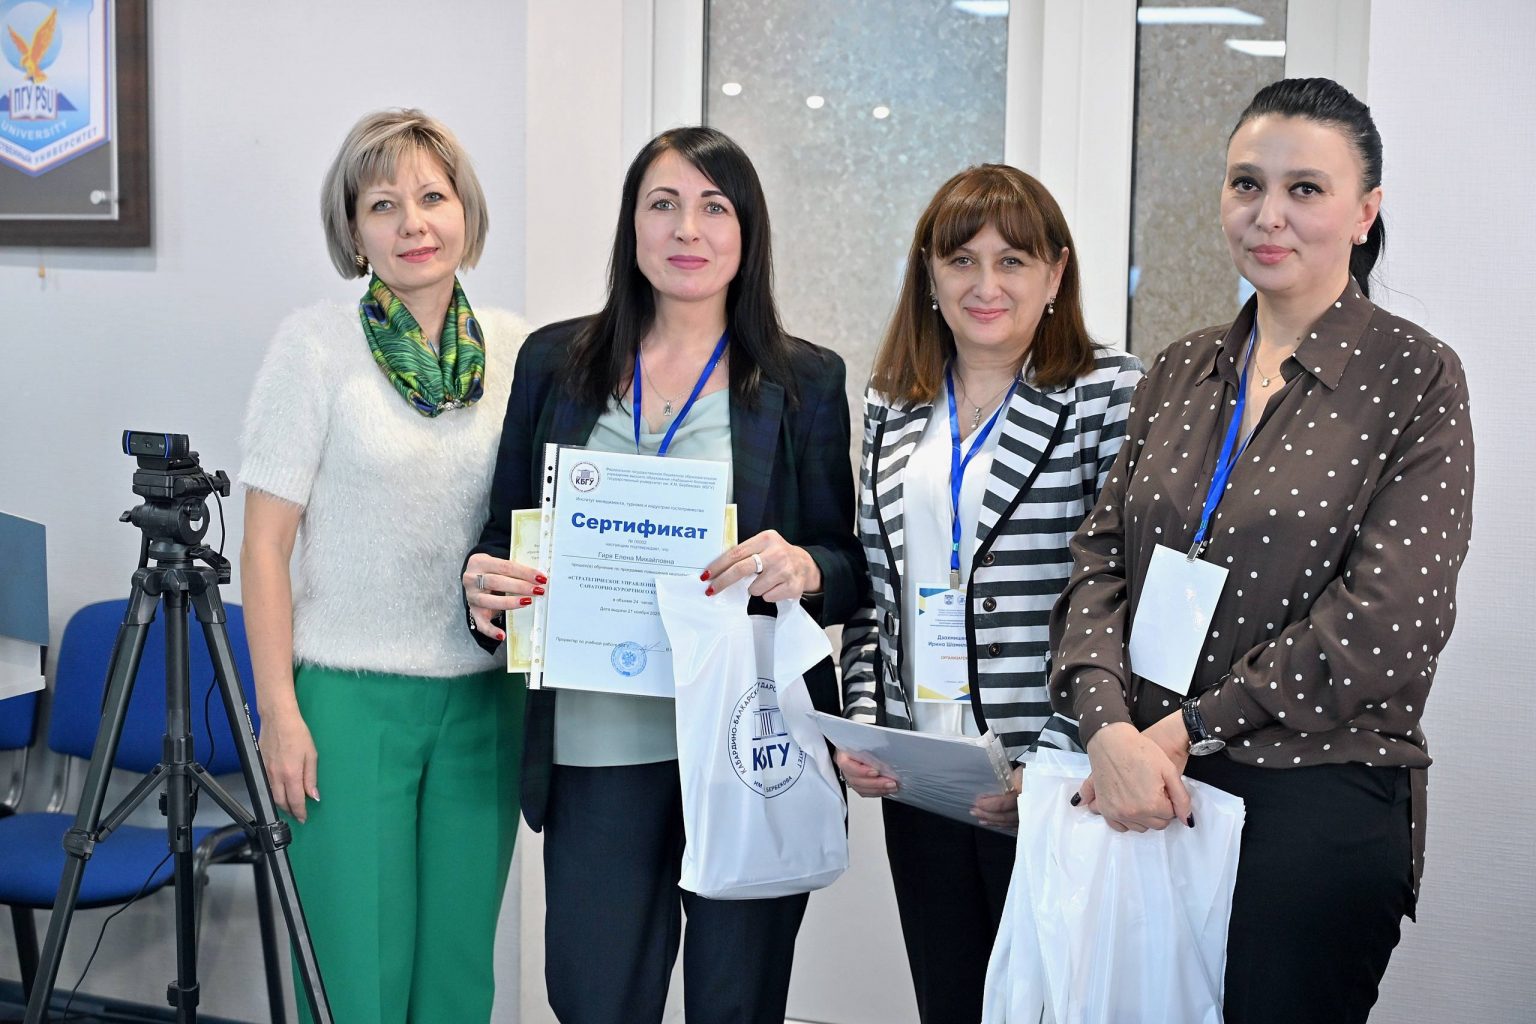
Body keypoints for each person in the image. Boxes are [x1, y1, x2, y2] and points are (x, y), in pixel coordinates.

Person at [1049, 78, 1474, 1024]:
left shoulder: (1416, 377)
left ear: (1365, 212)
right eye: (1247, 183)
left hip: (1309, 803)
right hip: (1142, 792)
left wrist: (1179, 732)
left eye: (1305, 189)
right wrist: (1107, 729)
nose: (1268, 214)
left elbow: (1387, 625)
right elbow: (1099, 561)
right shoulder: (1180, 367)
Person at [461, 125, 863, 1024]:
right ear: (631, 226)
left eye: (714, 207)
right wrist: (482, 586)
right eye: (664, 204)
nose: (688, 229)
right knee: (594, 1000)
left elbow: (846, 565)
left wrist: (803, 566)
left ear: (747, 232)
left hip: (743, 747)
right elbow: (502, 535)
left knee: (736, 1004)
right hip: (597, 747)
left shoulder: (805, 381)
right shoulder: (554, 364)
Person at [834, 164, 1143, 1024]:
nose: (985, 284)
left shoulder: (1107, 392)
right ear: (929, 274)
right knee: (948, 1001)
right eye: (962, 260)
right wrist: (866, 722)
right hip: (921, 772)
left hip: (1048, 774)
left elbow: (1123, 594)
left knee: (1047, 1007)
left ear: (1056, 273)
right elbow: (875, 586)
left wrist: (1055, 759)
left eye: (1013, 261)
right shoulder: (893, 402)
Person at [239, 109, 527, 1024]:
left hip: (484, 702)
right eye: (383, 205)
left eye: (433, 197)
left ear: (466, 212)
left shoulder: (520, 352)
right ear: (353, 229)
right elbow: (264, 547)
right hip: (347, 703)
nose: (413, 224)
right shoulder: (314, 348)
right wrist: (278, 712)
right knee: (355, 977)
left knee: (456, 977)